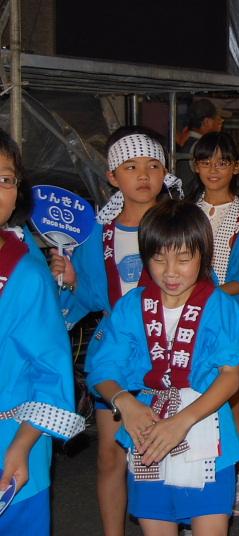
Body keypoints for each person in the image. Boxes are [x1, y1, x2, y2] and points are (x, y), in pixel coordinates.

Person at [88, 200, 239, 534]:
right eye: (159, 258)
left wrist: (183, 422)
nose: (171, 271)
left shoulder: (219, 305)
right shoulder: (132, 305)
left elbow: (230, 376)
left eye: (183, 258)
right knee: (155, 523)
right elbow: (103, 369)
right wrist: (124, 401)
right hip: (147, 428)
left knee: (210, 523)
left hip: (207, 429)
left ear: (203, 255)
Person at [49, 127, 179, 536]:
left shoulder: (179, 226)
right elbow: (88, 296)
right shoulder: (97, 236)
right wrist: (69, 280)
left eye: (153, 166)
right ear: (112, 176)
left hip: (172, 352)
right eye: (131, 167)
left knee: (166, 454)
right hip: (117, 361)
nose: (143, 174)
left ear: (165, 174)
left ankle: (172, 522)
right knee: (110, 456)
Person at [0, 130, 84, 534]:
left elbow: (52, 373)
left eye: (5, 179)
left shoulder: (24, 269)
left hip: (12, 446)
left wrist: (20, 447)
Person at [191, 132, 239, 516]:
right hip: (187, 316)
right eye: (206, 162)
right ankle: (198, 476)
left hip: (226, 317)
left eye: (222, 162)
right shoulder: (186, 210)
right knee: (192, 397)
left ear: (237, 167)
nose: (213, 170)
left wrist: (213, 294)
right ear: (195, 166)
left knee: (232, 400)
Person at [177, 99, 229, 196]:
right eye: (218, 119)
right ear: (206, 122)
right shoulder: (200, 146)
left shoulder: (189, 143)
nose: (221, 122)